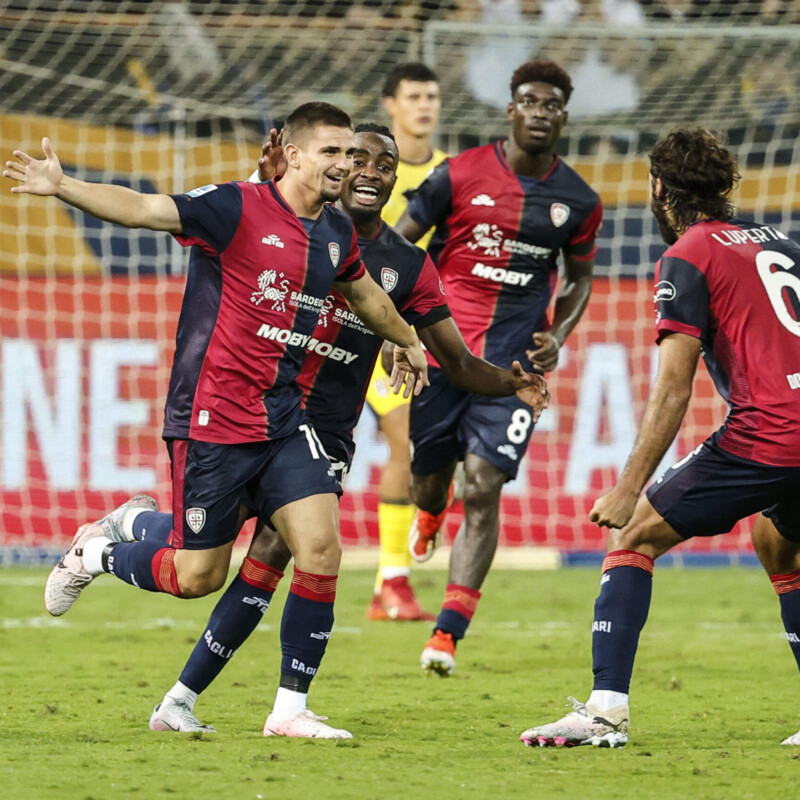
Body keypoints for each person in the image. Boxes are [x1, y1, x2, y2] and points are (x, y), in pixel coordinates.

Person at [4, 102, 432, 740]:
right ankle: (98, 550)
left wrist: (406, 338)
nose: (344, 165)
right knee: (197, 575)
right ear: (291, 153)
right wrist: (64, 185)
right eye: (332, 153)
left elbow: (364, 291)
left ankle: (290, 710)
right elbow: (145, 208)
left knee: (320, 547)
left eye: (350, 153)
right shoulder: (237, 207)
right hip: (213, 420)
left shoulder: (336, 232)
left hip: (283, 419)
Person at [134, 123, 548, 733]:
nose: (373, 172)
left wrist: (510, 381)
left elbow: (455, 361)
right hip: (246, 410)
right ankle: (134, 548)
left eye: (387, 164)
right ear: (336, 169)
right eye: (359, 159)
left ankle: (247, 705)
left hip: (322, 427)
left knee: (294, 551)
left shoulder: (406, 266)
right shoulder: (294, 227)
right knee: (204, 570)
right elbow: (228, 222)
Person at [520, 128, 800, 749]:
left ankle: (604, 712)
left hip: (770, 434)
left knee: (635, 534)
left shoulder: (690, 254)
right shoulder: (783, 241)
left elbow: (673, 389)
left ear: (657, 189)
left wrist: (627, 488)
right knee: (780, 546)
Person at [393, 58, 602, 676]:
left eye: (552, 105)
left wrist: (557, 333)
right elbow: (399, 246)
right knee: (429, 483)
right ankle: (429, 513)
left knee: (483, 486)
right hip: (440, 355)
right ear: (510, 110)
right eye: (530, 102)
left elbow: (581, 280)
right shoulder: (455, 176)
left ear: (564, 116)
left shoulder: (579, 200)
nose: (541, 113)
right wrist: (398, 324)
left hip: (511, 373)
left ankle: (446, 634)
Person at [364, 63, 450, 622]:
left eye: (432, 96)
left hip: (422, 333)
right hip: (361, 331)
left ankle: (387, 582)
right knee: (406, 441)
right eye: (413, 96)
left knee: (428, 451)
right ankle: (391, 581)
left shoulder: (451, 175)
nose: (424, 106)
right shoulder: (366, 173)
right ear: (391, 104)